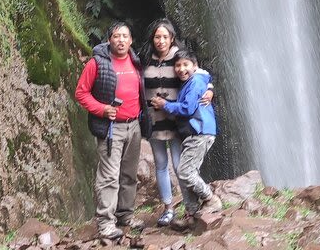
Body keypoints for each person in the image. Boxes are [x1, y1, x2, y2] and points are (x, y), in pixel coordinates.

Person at [75, 21, 152, 240]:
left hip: (134, 125)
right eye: (116, 36)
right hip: (111, 128)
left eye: (125, 36)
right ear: (109, 39)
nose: (121, 40)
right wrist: (102, 109)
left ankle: (125, 215)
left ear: (131, 40)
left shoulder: (135, 60)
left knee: (129, 174)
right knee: (109, 176)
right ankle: (105, 222)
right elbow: (81, 93)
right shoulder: (97, 63)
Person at [139, 19, 214, 226]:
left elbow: (200, 73)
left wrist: (210, 88)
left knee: (180, 165)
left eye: (165, 36)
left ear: (172, 38)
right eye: (157, 36)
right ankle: (168, 208)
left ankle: (191, 209)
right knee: (161, 165)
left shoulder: (179, 58)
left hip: (177, 122)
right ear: (152, 38)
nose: (161, 41)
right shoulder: (144, 58)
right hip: (154, 122)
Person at [151, 49, 222, 230]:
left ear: (195, 66)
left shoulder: (196, 81)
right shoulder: (191, 81)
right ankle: (191, 214)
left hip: (200, 132)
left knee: (185, 172)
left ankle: (210, 198)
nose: (181, 69)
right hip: (194, 133)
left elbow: (188, 108)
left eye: (186, 65)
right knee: (187, 174)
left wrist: (164, 104)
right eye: (178, 65)